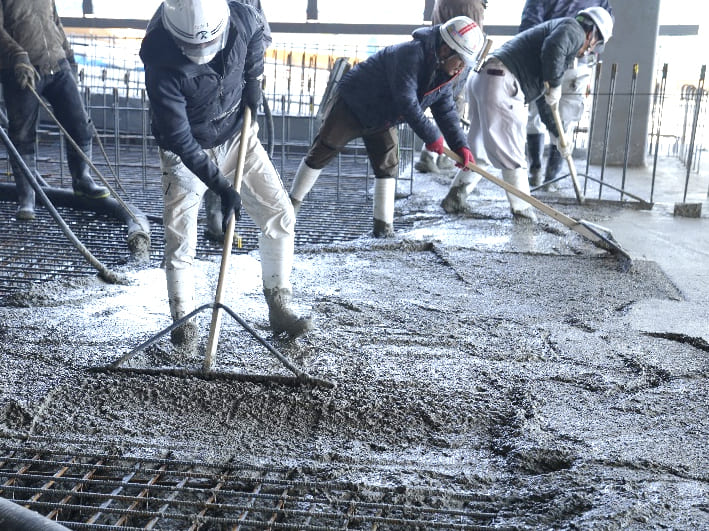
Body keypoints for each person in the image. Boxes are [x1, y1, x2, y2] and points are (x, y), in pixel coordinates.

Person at [140, 0, 312, 347]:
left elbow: (256, 45)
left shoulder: (243, 17)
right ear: (176, 37)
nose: (201, 52)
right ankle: (184, 324)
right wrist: (221, 185)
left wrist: (253, 84)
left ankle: (279, 306)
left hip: (237, 135)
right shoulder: (158, 54)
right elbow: (180, 139)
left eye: (208, 44)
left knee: (280, 214)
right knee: (180, 241)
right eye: (193, 48)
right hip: (185, 150)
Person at [288, 16, 484, 238]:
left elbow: (445, 109)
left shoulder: (446, 74)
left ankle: (383, 227)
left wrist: (460, 145)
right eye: (459, 60)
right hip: (354, 103)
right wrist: (432, 136)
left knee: (388, 164)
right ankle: (291, 207)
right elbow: (407, 101)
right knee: (324, 149)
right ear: (446, 49)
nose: (460, 68)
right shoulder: (410, 55)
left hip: (385, 118)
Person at [441, 6, 613, 220]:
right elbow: (553, 48)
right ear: (592, 34)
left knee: (479, 153)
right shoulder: (573, 28)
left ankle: (454, 198)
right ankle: (523, 211)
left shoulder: (555, 36)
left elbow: (544, 100)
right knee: (513, 153)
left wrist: (558, 136)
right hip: (501, 81)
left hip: (484, 78)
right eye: (594, 46)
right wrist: (556, 83)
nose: (588, 51)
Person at [0, 0, 109, 221]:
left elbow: (55, 22)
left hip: (57, 63)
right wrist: (18, 55)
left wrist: (68, 55)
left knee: (79, 124)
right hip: (22, 69)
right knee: (22, 135)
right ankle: (27, 198)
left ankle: (82, 181)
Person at [521, 0, 613, 190]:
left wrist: (590, 46)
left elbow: (605, 22)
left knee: (564, 120)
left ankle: (550, 178)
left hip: (576, 64)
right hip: (546, 57)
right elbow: (530, 20)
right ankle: (536, 171)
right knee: (538, 115)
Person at [203, 0, 272, 242]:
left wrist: (250, 78)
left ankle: (227, 220)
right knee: (208, 153)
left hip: (238, 88)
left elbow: (260, 35)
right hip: (207, 91)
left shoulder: (250, 4)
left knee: (237, 157)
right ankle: (216, 223)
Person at [414, 0, 488, 174]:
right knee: (451, 106)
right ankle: (433, 155)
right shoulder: (471, 5)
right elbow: (472, 41)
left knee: (443, 103)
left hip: (440, 57)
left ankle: (433, 154)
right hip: (455, 57)